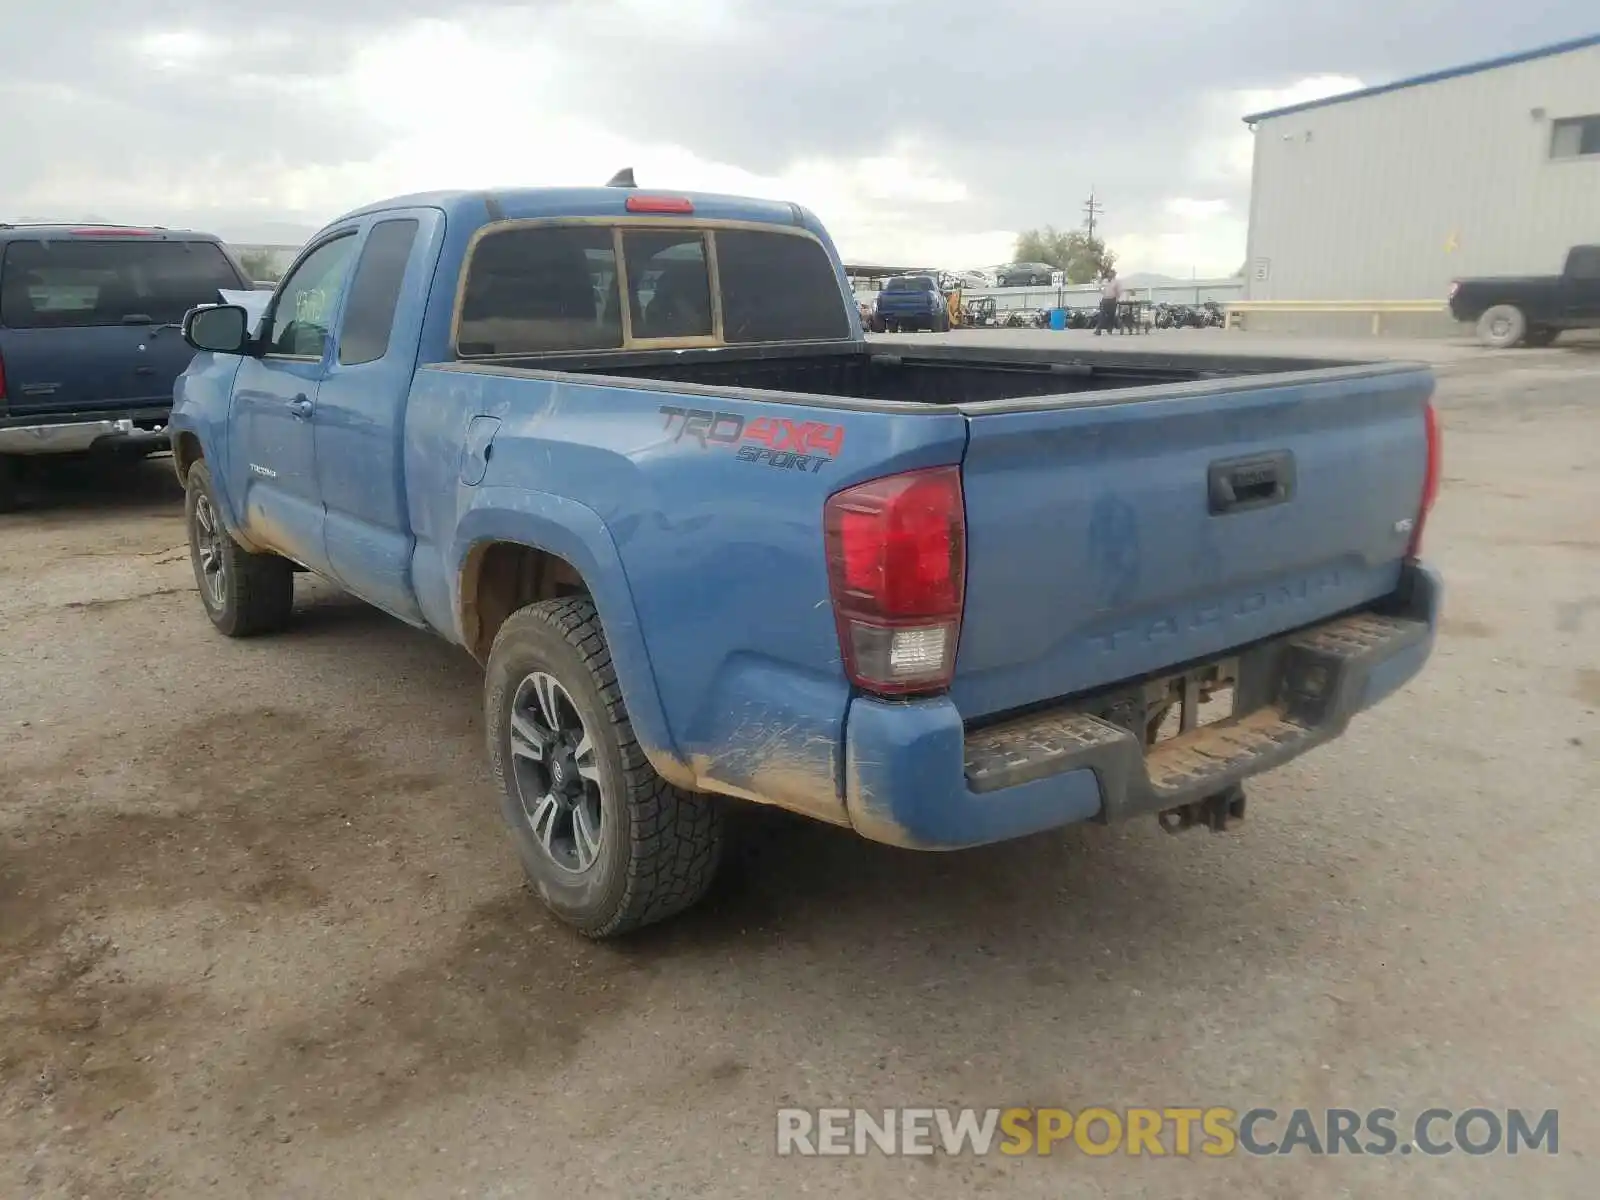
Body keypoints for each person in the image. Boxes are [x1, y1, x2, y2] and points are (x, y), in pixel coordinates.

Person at [1094, 270, 1123, 336]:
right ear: (1108, 274)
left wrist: (1117, 299)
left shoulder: (1116, 282)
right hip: (1105, 299)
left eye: (1112, 273)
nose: (1110, 274)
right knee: (1101, 314)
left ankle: (1109, 329)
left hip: (1112, 300)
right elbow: (1099, 287)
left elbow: (1119, 292)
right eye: (1109, 273)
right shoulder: (1105, 281)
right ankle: (1098, 329)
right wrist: (1101, 291)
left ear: (1114, 274)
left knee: (1111, 315)